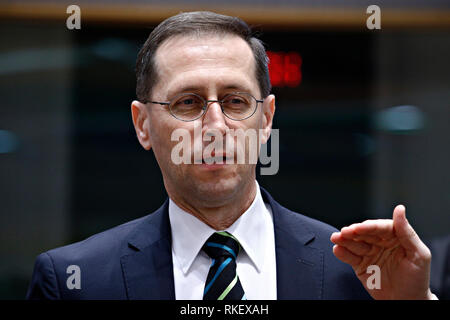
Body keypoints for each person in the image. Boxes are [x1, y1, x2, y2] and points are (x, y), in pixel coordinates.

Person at [26, 11, 437, 300]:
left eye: (236, 101)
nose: (216, 125)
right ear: (142, 125)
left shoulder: (358, 274)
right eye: (187, 103)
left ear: (267, 119)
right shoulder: (73, 283)